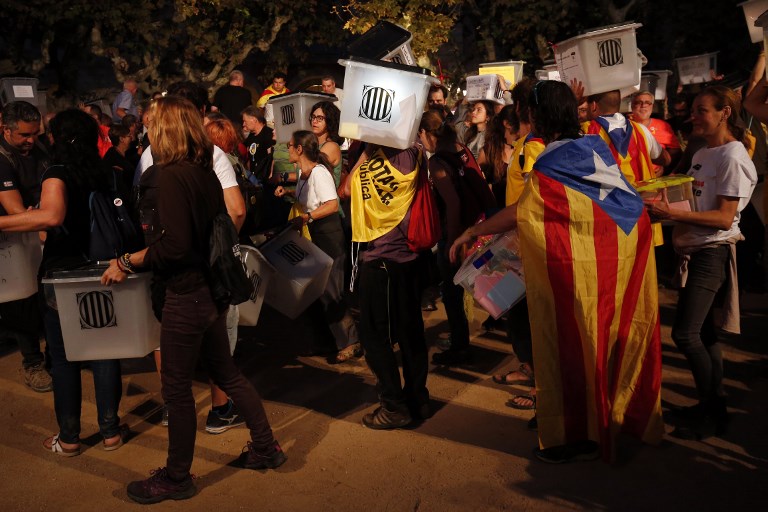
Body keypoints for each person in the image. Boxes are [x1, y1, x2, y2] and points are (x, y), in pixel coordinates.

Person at [450, 80, 664, 463]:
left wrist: (472, 231)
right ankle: (615, 417)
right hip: (618, 263)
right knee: (608, 341)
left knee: (569, 347)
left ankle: (576, 434)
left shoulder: (550, 163)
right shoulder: (595, 147)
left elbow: (523, 211)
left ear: (536, 117)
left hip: (575, 270)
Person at [101, 96, 286, 504]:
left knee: (178, 391)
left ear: (163, 129)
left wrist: (126, 261)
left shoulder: (167, 177)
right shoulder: (202, 172)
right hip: (210, 290)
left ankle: (176, 477)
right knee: (228, 372)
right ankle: (265, 446)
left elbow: (175, 247)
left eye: (151, 124)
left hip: (187, 294)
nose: (146, 129)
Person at [0, 109, 125, 455]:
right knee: (105, 350)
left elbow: (52, 215)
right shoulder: (106, 172)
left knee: (64, 356)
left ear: (61, 138)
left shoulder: (57, 172)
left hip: (62, 274)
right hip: (103, 269)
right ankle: (110, 431)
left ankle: (69, 437)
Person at [645, 86, 757, 440]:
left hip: (712, 251)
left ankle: (711, 412)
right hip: (695, 249)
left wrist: (665, 212)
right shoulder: (703, 152)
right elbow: (690, 199)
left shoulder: (733, 156)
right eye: (693, 109)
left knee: (685, 333)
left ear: (725, 113)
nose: (693, 116)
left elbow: (725, 218)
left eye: (701, 110)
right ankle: (714, 406)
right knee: (704, 333)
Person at [341, 142, 430, 429]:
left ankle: (394, 406)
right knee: (410, 332)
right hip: (411, 255)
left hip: (382, 257)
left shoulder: (375, 155)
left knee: (374, 336)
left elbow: (346, 189)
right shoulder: (414, 152)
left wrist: (367, 150)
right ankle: (418, 400)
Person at [275, 131, 361, 363]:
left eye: (291, 145)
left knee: (332, 291)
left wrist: (307, 217)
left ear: (300, 149)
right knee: (318, 291)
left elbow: (332, 204)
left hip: (328, 235)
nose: (288, 148)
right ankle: (327, 341)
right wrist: (290, 192)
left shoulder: (320, 173)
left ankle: (351, 342)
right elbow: (310, 198)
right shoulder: (304, 173)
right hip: (315, 233)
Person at [418, 110, 495, 366]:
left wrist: (453, 241)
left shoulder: (437, 161)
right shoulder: (460, 147)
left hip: (456, 232)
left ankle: (460, 346)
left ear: (427, 134)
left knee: (451, 292)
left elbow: (451, 203)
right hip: (478, 225)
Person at [0, 101, 51, 393]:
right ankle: (32, 363)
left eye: (35, 133)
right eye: (24, 135)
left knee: (45, 299)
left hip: (40, 231)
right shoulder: (2, 158)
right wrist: (43, 219)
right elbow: (14, 210)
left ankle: (55, 356)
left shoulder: (40, 147)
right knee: (22, 303)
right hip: (13, 240)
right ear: (6, 130)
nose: (32, 140)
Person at [630, 90, 682, 174]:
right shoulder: (623, 125)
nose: (643, 106)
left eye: (647, 103)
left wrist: (664, 168)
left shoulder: (662, 126)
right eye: (639, 102)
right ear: (632, 106)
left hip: (656, 179)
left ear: (652, 107)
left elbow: (675, 152)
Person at [478, 104, 517, 208]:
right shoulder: (488, 151)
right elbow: (478, 187)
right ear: (507, 124)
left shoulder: (526, 148)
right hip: (497, 215)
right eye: (520, 123)